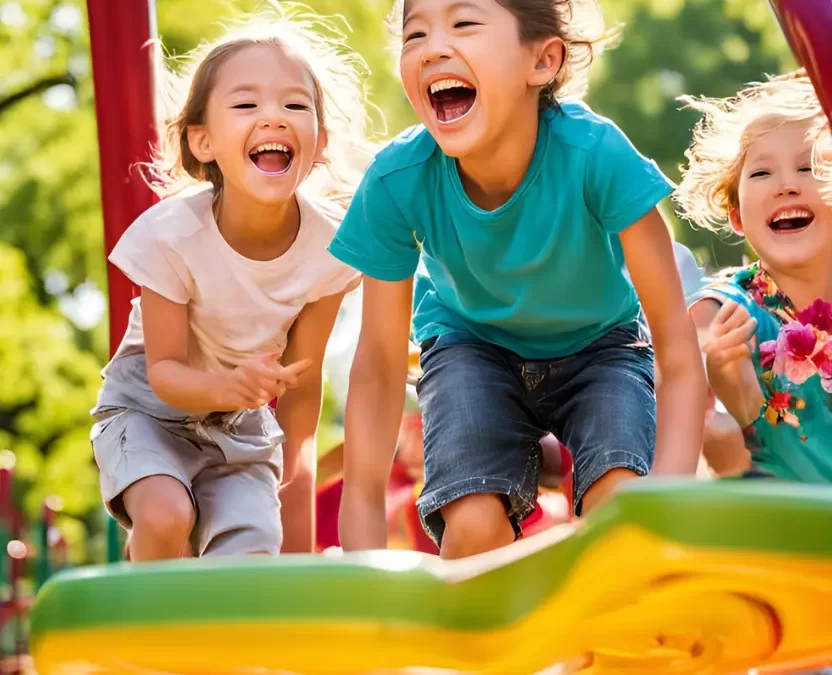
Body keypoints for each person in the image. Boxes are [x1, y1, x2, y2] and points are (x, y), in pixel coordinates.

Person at [329, 0, 706, 559]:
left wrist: (664, 502)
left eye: (464, 23)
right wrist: (360, 538)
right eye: (415, 34)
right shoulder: (397, 181)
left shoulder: (596, 155)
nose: (433, 47)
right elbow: (380, 367)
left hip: (602, 346)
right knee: (474, 527)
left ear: (542, 61)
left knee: (622, 510)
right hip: (471, 348)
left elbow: (677, 348)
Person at [90, 2, 370, 561]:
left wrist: (297, 534)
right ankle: (154, 635)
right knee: (167, 514)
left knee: (253, 556)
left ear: (320, 141)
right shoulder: (170, 237)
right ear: (203, 143)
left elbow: (301, 387)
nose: (273, 117)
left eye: (295, 104)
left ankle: (233, 647)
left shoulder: (331, 249)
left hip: (240, 428)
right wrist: (227, 387)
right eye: (245, 104)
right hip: (148, 410)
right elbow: (164, 371)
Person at [677, 69, 832, 483]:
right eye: (762, 173)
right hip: (770, 525)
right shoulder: (721, 313)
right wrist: (738, 401)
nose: (786, 186)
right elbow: (708, 439)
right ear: (738, 216)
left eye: (811, 168)